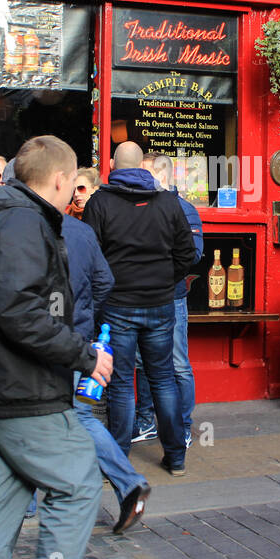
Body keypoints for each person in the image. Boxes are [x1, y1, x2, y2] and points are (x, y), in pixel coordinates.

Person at [0, 135, 113, 559]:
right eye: (72, 184)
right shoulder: (24, 223)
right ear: (61, 180)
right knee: (79, 484)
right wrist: (84, 355)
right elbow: (17, 310)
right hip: (20, 389)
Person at [83, 141, 196, 476]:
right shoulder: (168, 203)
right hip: (160, 305)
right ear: (143, 168)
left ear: (114, 167)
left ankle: (118, 460)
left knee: (120, 384)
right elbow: (187, 254)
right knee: (162, 378)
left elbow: (91, 257)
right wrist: (165, 280)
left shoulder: (100, 202)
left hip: (118, 306)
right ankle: (176, 457)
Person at [59, 206, 152, 533]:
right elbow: (104, 281)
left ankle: (127, 484)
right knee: (77, 414)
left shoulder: (25, 228)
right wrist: (87, 319)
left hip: (48, 342)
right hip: (77, 338)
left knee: (58, 414)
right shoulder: (81, 231)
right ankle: (128, 484)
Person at [131, 153, 203, 446]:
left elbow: (194, 255)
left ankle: (183, 427)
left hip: (171, 298)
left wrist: (156, 272)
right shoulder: (139, 206)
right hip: (142, 298)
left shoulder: (184, 210)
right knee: (142, 362)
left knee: (177, 364)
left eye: (145, 174)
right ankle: (146, 422)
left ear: (161, 176)